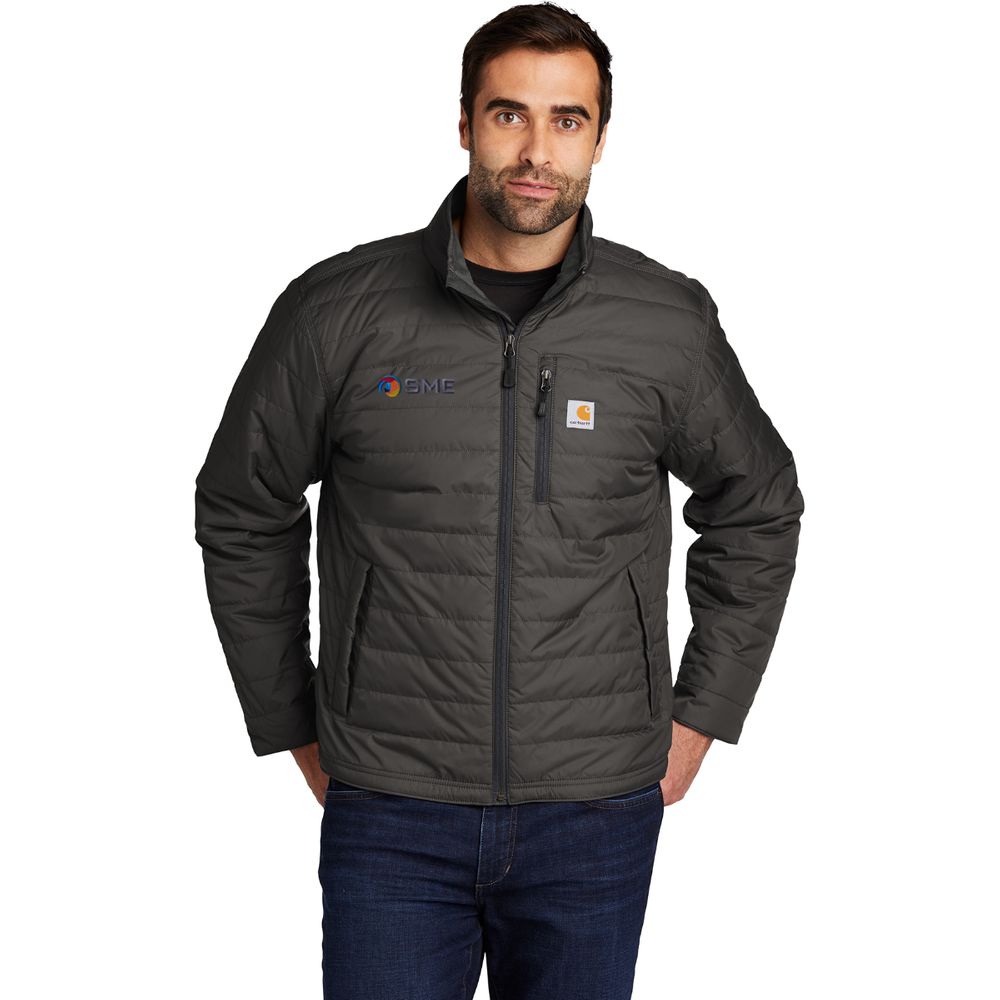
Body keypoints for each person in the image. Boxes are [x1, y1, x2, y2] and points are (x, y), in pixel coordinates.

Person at [193, 4, 804, 997]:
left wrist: (701, 715)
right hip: (391, 801)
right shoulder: (338, 310)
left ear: (600, 138)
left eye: (567, 120)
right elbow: (241, 505)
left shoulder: (665, 322)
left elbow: (757, 506)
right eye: (509, 113)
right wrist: (289, 718)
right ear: (464, 123)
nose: (535, 151)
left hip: (596, 807)